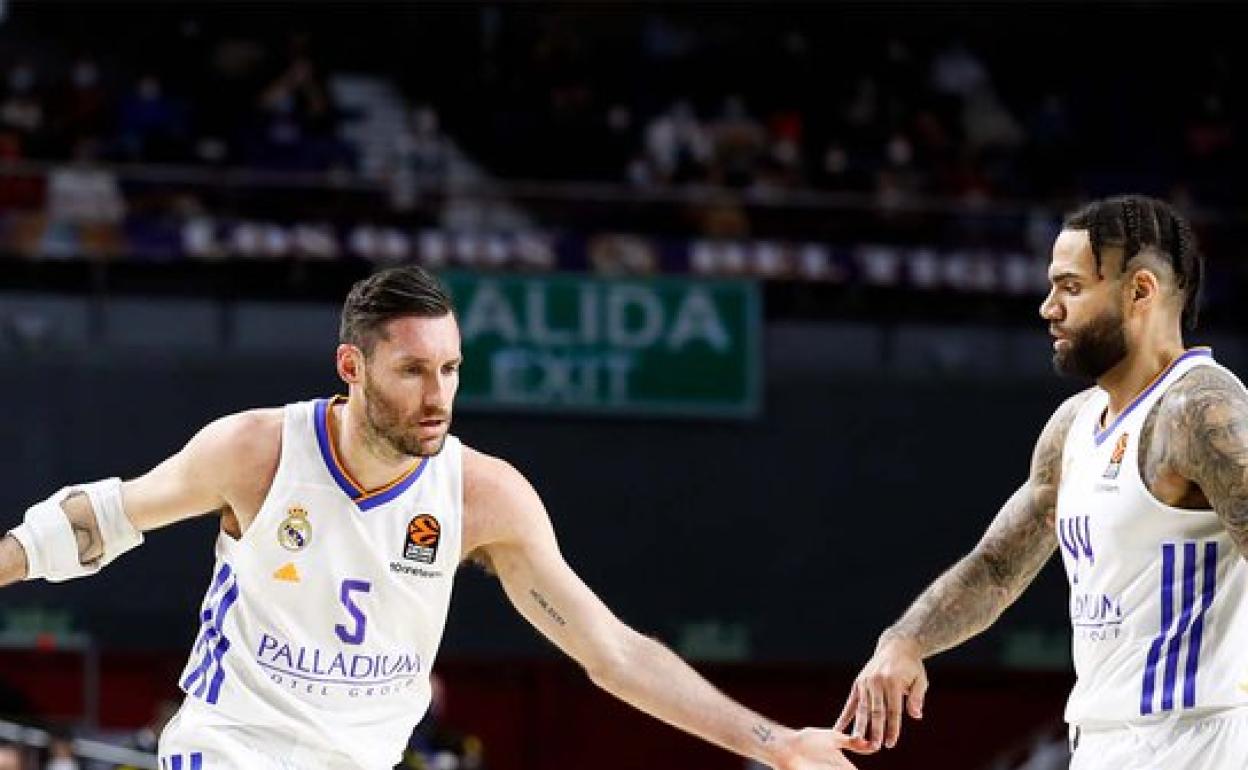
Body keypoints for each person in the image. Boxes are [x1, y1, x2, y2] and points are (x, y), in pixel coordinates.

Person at [0, 266, 868, 770]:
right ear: (353, 365)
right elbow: (100, 519)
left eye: (451, 369)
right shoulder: (260, 451)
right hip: (232, 753)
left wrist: (776, 742)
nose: (439, 396)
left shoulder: (481, 495)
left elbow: (613, 653)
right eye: (414, 370)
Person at [837, 194, 1248, 769]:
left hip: (1196, 743)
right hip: (1101, 742)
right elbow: (998, 567)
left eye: (1071, 287)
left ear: (1140, 292)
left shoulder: (1202, 410)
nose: (1047, 307)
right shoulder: (1075, 425)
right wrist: (907, 639)